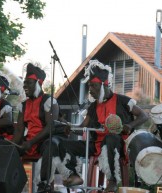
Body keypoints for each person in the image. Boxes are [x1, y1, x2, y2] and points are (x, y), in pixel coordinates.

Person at [57, 60, 149, 192]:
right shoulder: (93, 106)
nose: (90, 90)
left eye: (93, 86)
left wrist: (129, 125)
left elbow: (144, 116)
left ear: (103, 85)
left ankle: (112, 180)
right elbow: (83, 127)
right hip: (95, 145)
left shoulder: (123, 101)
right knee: (64, 144)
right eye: (89, 86)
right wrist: (69, 126)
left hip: (118, 145)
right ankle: (74, 175)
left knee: (110, 138)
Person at [12, 63, 68, 192]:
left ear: (38, 83)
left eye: (29, 83)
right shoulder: (23, 105)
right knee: (6, 149)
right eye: (24, 83)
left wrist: (30, 142)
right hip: (30, 141)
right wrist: (12, 146)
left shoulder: (49, 101)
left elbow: (50, 128)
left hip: (46, 140)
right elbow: (20, 130)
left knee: (49, 145)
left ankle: (45, 184)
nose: (25, 85)